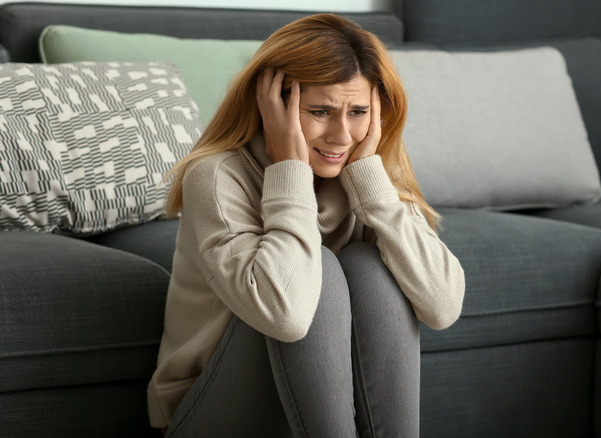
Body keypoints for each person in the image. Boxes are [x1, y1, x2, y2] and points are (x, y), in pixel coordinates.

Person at [147, 13, 465, 438]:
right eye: (320, 111)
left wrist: (373, 186)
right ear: (272, 104)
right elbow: (286, 316)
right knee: (322, 273)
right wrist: (291, 171)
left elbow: (442, 308)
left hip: (311, 407)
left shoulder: (363, 171)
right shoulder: (217, 175)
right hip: (211, 410)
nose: (341, 134)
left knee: (373, 267)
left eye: (358, 112)